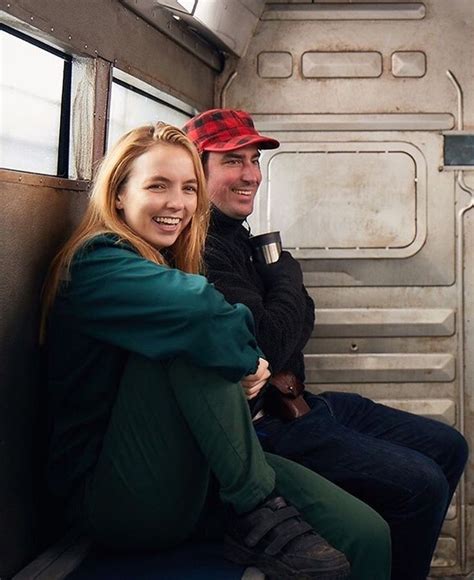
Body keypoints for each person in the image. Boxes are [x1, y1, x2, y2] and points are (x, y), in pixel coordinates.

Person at [40, 122, 391, 580]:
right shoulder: (96, 262)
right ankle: (257, 506)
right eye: (157, 186)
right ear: (119, 194)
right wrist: (249, 364)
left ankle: (257, 506)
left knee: (365, 533)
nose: (178, 204)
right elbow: (203, 315)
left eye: (189, 188)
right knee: (191, 330)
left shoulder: (167, 260)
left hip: (193, 470)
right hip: (113, 497)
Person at [183, 108, 469, 580]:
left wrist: (284, 295)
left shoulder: (237, 236)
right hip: (266, 426)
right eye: (233, 161)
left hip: (301, 401)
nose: (250, 174)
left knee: (447, 446)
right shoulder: (201, 249)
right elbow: (268, 340)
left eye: (254, 160)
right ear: (198, 169)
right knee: (419, 484)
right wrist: (287, 277)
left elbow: (301, 318)